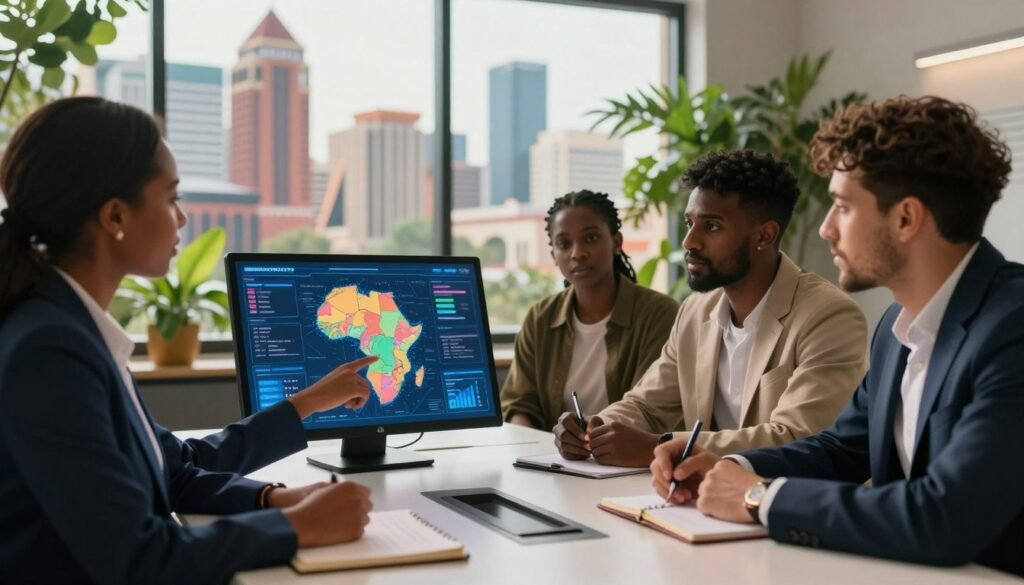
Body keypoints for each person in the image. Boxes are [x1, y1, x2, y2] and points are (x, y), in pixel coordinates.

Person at [0, 97, 373, 584]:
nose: (181, 219)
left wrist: (274, 495)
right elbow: (135, 558)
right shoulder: (48, 350)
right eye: (171, 197)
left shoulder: (74, 329)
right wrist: (296, 526)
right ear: (115, 216)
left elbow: (174, 468)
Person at [653, 96, 1024, 576]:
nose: (826, 229)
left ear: (906, 219)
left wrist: (758, 497)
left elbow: (944, 517)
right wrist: (732, 468)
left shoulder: (1012, 329)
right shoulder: (896, 332)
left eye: (843, 207)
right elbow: (841, 450)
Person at [555, 150, 867, 467]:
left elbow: (796, 437)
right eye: (690, 223)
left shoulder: (828, 316)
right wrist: (595, 429)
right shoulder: (694, 313)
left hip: (788, 505)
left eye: (712, 226)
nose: (690, 241)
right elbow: (646, 406)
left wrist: (661, 447)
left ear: (764, 235)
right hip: (700, 501)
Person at [501, 190, 679, 431]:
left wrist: (586, 440)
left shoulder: (658, 314)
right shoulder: (540, 318)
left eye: (591, 238)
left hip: (630, 459)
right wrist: (533, 448)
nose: (578, 253)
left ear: (616, 243)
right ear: (554, 255)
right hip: (551, 459)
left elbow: (650, 408)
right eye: (564, 244)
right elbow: (520, 406)